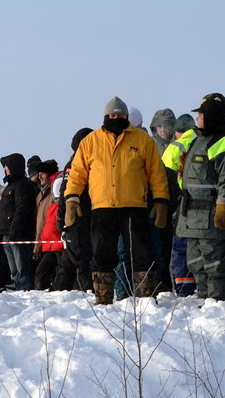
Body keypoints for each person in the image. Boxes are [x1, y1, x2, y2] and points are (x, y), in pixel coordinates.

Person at [64, 96, 170, 304]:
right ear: (105, 116)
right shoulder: (90, 142)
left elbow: (156, 174)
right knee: (102, 255)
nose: (116, 118)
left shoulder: (142, 140)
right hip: (103, 208)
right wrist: (72, 199)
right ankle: (103, 298)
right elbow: (77, 173)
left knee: (141, 254)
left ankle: (146, 298)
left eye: (120, 115)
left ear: (126, 116)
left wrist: (161, 200)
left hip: (135, 207)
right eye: (112, 115)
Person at [175, 94, 225, 302]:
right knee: (195, 261)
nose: (197, 119)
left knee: (214, 263)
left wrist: (224, 206)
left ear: (210, 116)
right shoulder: (197, 140)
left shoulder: (224, 143)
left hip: (211, 216)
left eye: (201, 115)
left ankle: (217, 304)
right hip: (191, 216)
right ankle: (205, 300)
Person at [53, 127, 94, 292]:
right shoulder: (77, 164)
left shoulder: (78, 162)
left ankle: (59, 290)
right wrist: (61, 217)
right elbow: (65, 192)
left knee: (70, 258)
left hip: (81, 217)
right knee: (81, 257)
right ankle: (88, 290)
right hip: (78, 217)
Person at [162, 113, 198, 297]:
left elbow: (166, 177)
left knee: (180, 247)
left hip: (182, 202)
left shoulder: (175, 147)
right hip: (205, 201)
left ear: (178, 132)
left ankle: (184, 288)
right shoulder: (203, 140)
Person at [0, 153, 37, 291]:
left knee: (22, 265)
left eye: (6, 167)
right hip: (6, 232)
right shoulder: (9, 186)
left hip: (18, 232)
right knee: (13, 267)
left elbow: (22, 209)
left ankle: (25, 288)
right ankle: (17, 284)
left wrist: (16, 229)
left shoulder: (23, 185)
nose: (4, 169)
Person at [32, 159, 61, 290]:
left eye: (42, 173)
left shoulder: (57, 190)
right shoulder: (40, 194)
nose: (39, 176)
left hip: (57, 239)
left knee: (44, 273)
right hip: (48, 240)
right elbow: (41, 222)